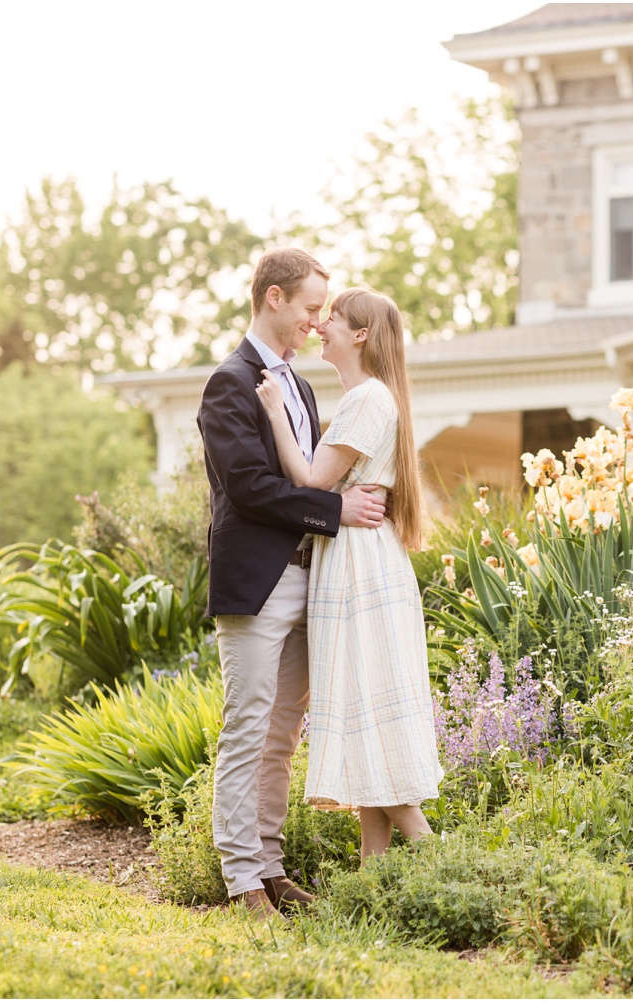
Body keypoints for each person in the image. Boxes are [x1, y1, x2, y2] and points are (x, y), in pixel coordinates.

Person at [197, 248, 388, 920]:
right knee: (247, 727)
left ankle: (272, 867)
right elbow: (250, 489)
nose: (317, 321)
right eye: (310, 307)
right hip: (256, 585)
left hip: (310, 581)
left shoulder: (302, 390)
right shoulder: (229, 383)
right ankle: (241, 878)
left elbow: (309, 469)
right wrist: (337, 511)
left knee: (282, 734)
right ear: (273, 299)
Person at [255, 287, 442, 859]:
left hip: (360, 567)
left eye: (332, 318)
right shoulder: (370, 397)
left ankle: (450, 867)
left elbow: (312, 479)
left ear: (360, 334)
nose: (321, 325)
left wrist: (275, 414)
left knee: (368, 714)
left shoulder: (367, 399)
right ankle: (375, 882)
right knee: (367, 713)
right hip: (360, 558)